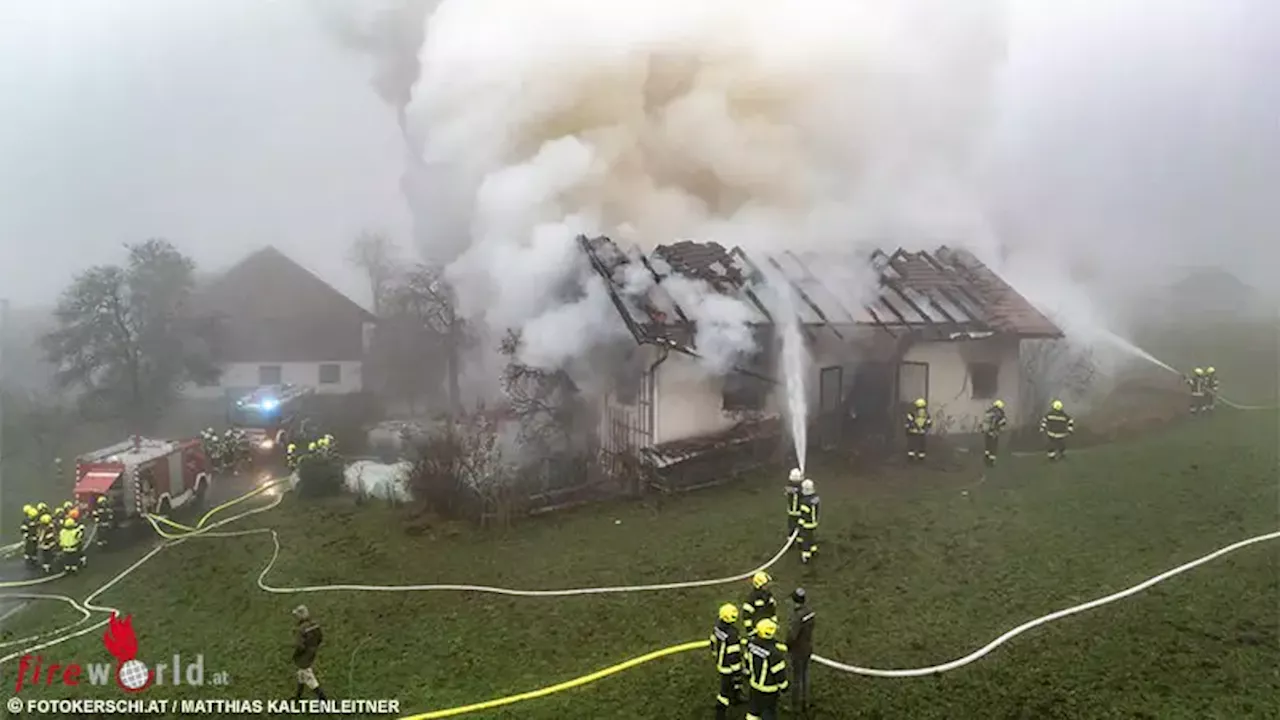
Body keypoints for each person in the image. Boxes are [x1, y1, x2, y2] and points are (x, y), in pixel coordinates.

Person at [745, 618, 788, 720]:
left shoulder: (751, 644)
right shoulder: (775, 653)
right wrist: (784, 687)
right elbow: (779, 674)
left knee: (753, 712)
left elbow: (747, 661)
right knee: (768, 713)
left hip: (754, 685)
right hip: (769, 691)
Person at [710, 603, 744, 719]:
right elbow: (733, 655)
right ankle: (720, 713)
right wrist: (737, 670)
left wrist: (715, 654)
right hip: (728, 667)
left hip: (721, 662)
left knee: (732, 684)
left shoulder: (717, 626)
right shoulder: (732, 634)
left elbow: (713, 641)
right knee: (725, 690)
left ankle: (735, 698)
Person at [786, 588, 817, 716]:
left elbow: (792, 636)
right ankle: (805, 702)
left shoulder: (796, 617)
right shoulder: (810, 613)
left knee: (796, 679)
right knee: (805, 676)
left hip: (797, 651)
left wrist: (787, 645)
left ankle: (795, 706)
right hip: (807, 647)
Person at [291, 605, 326, 701]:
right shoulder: (315, 625)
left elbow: (300, 645)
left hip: (304, 656)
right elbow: (320, 638)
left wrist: (296, 655)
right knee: (301, 674)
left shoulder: (301, 629)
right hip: (312, 652)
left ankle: (323, 699)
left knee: (308, 676)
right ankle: (298, 695)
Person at [741, 572, 778, 640]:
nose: (768, 586)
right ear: (759, 585)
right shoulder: (752, 598)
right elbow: (746, 616)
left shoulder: (768, 595)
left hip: (768, 628)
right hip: (758, 630)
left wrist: (774, 622)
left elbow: (772, 609)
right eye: (765, 585)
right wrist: (750, 631)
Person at [797, 480, 820, 565]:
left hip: (807, 524)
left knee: (806, 539)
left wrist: (800, 522)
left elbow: (804, 515)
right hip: (814, 522)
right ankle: (813, 550)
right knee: (811, 536)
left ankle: (806, 556)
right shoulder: (816, 497)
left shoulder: (804, 502)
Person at [904, 398, 932, 463]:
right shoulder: (926, 415)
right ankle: (921, 459)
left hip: (912, 433)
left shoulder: (912, 414)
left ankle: (911, 458)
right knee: (921, 446)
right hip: (921, 433)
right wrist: (924, 428)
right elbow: (929, 423)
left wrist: (908, 430)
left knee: (912, 446)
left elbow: (909, 423)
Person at [981, 399, 1008, 467]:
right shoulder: (999, 413)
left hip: (987, 432)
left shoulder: (988, 412)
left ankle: (986, 459)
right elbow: (1002, 422)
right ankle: (991, 462)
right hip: (994, 432)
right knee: (993, 447)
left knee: (988, 446)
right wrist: (1000, 429)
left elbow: (984, 421)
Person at [785, 468, 804, 540]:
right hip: (798, 511)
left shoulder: (789, 487)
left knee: (791, 527)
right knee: (799, 527)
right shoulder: (799, 489)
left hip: (791, 511)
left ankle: (791, 539)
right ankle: (798, 540)